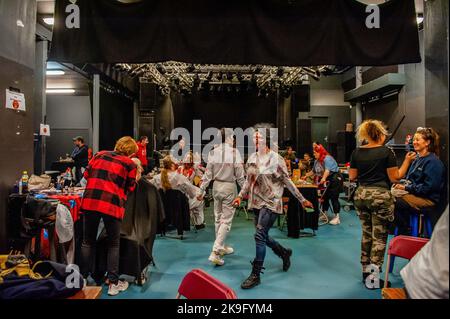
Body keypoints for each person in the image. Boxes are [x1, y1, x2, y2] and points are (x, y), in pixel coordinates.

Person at [233, 126, 313, 289]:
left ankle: (255, 274)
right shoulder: (252, 158)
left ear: (266, 140)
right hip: (256, 202)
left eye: (259, 137)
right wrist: (240, 196)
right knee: (261, 235)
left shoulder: (276, 159)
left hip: (271, 201)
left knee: (259, 235)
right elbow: (248, 181)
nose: (256, 140)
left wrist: (302, 199)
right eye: (254, 137)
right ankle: (284, 253)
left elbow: (287, 181)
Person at [349, 120, 410, 289]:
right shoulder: (386, 152)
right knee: (379, 238)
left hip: (361, 195)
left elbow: (352, 177)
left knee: (366, 234)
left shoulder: (356, 152)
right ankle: (373, 279)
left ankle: (365, 273)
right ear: (381, 134)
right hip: (380, 196)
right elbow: (395, 177)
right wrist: (407, 161)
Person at [79, 136, 139, 296]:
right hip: (112, 205)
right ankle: (113, 283)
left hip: (90, 202)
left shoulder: (99, 155)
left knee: (87, 241)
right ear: (131, 152)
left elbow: (85, 177)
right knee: (114, 244)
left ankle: (82, 280)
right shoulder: (129, 164)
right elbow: (131, 187)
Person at [199, 128, 246, 266]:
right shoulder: (234, 152)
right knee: (226, 220)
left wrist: (201, 191)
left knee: (218, 218)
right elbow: (240, 175)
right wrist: (245, 190)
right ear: (229, 137)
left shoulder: (213, 152)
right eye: (233, 137)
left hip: (216, 186)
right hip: (229, 187)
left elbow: (207, 175)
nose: (234, 140)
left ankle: (222, 245)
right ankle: (216, 251)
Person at [393, 127, 446, 235]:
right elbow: (411, 180)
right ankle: (401, 228)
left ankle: (405, 231)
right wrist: (401, 185)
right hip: (415, 194)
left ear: (427, 142)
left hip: (427, 199)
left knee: (392, 201)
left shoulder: (433, 162)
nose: (414, 142)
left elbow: (429, 188)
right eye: (414, 139)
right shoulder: (417, 159)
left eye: (418, 139)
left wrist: (406, 188)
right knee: (386, 196)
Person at [400, 206, 449, 299]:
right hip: (428, 285)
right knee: (396, 201)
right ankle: (405, 227)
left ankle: (405, 227)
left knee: (396, 201)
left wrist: (407, 190)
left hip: (426, 278)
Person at [314, 144, 344, 225]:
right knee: (325, 197)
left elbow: (327, 170)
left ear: (320, 152)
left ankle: (337, 217)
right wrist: (306, 176)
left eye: (316, 153)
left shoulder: (327, 158)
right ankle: (325, 214)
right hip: (327, 178)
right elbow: (314, 171)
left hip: (335, 177)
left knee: (334, 197)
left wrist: (323, 179)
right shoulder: (317, 161)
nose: (314, 154)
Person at [178, 151, 206, 230]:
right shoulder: (179, 169)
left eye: (188, 163)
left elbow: (203, 179)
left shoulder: (195, 169)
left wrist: (201, 183)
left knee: (201, 195)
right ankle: (198, 223)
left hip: (188, 192)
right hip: (181, 195)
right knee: (200, 200)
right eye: (185, 163)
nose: (186, 165)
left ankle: (198, 222)